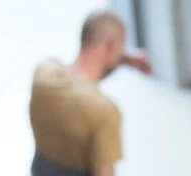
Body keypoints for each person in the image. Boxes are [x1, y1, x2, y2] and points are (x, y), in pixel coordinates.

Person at [28, 10, 154, 176]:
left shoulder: (43, 72)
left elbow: (79, 78)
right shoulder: (104, 111)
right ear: (111, 47)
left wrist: (124, 59)